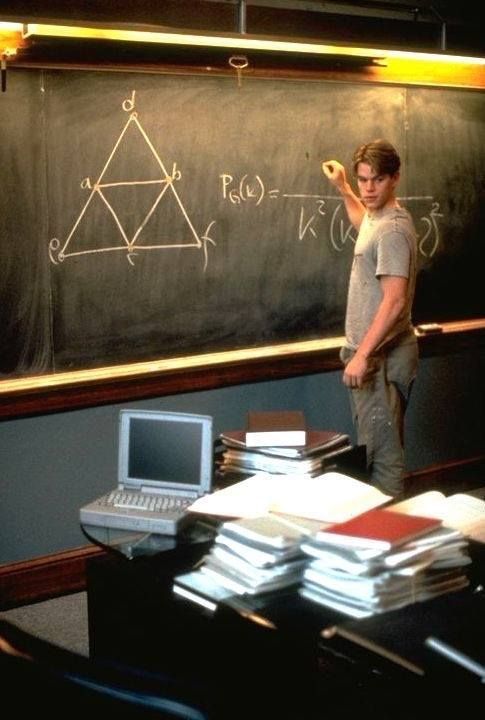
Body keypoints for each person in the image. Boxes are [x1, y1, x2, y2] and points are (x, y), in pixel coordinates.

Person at [322, 139, 418, 497]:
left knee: (383, 458)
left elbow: (393, 302)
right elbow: (363, 225)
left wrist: (362, 355)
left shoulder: (392, 230)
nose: (369, 188)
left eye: (376, 180)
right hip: (373, 357)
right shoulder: (378, 218)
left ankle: (390, 543)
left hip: (379, 359)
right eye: (363, 180)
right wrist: (344, 188)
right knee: (377, 448)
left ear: (395, 177)